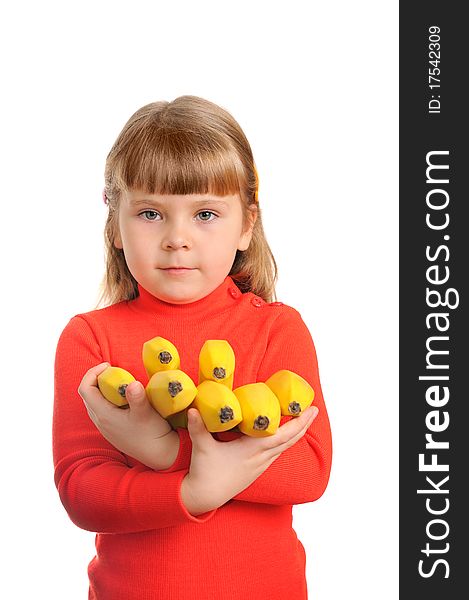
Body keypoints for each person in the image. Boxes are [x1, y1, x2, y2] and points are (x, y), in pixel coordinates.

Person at [52, 95, 333, 600]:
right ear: (115, 222)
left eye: (205, 213)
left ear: (247, 224)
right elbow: (82, 492)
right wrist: (195, 490)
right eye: (150, 214)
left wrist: (165, 451)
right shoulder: (90, 338)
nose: (177, 238)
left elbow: (308, 471)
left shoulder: (278, 329)